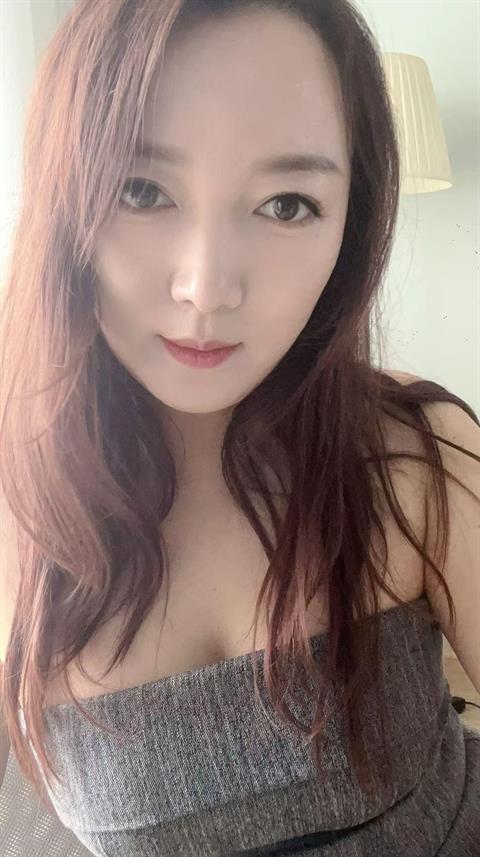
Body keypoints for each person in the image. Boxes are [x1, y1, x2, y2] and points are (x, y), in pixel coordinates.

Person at [1, 0, 479, 855]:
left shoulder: (413, 450)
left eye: (287, 203)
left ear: (354, 218)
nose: (207, 286)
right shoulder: (17, 507)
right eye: (142, 189)